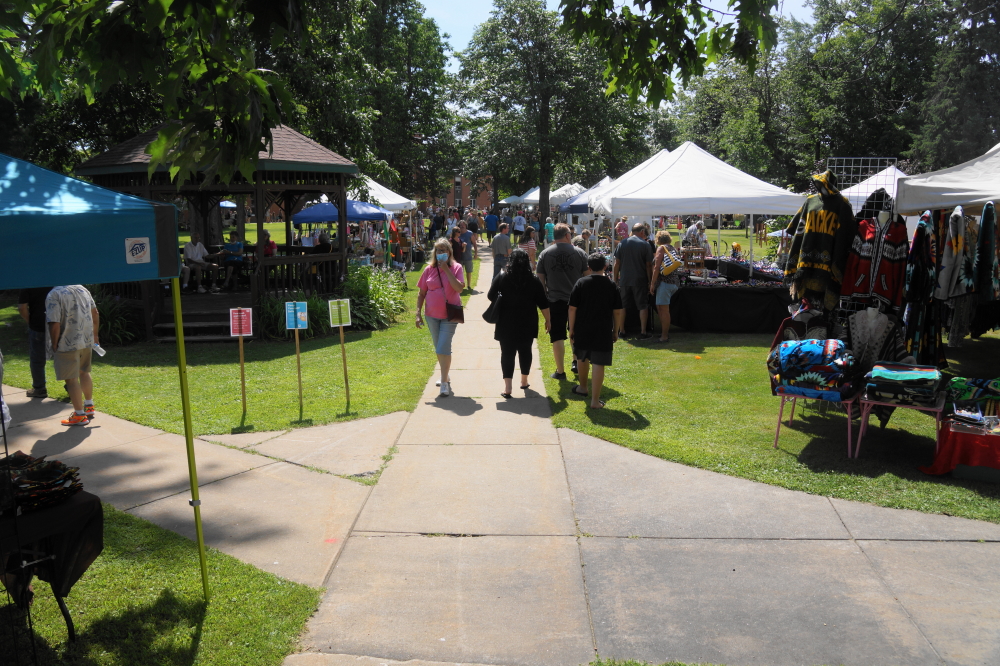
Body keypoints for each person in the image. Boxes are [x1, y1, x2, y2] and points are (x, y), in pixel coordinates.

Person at [488, 249, 551, 399]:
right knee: (525, 351)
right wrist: (548, 320)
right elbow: (543, 303)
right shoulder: (534, 280)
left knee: (507, 353)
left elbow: (490, 295)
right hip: (527, 321)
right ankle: (524, 380)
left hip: (505, 321)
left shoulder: (502, 277)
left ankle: (508, 387)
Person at [569, 253, 624, 409]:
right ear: (605, 266)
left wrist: (571, 328)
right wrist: (616, 330)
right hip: (603, 329)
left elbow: (572, 308)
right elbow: (617, 311)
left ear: (589, 267)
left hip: (582, 327)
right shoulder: (611, 285)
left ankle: (582, 387)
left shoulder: (581, 283)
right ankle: (595, 401)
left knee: (582, 357)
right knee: (599, 362)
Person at [535, 223, 589, 380]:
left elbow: (540, 280)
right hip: (577, 301)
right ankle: (576, 362)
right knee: (575, 332)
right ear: (567, 235)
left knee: (557, 336)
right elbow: (587, 277)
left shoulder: (544, 254)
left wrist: (545, 299)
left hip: (554, 300)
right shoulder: (580, 253)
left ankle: (560, 371)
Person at [416, 238, 466, 397]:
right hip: (431, 315)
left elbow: (459, 288)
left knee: (442, 348)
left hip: (450, 315)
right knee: (439, 347)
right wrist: (418, 313)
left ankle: (444, 383)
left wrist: (446, 269)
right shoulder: (428, 269)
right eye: (438, 250)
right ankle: (445, 373)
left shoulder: (456, 268)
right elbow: (421, 293)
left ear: (449, 252)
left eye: (443, 250)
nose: (440, 253)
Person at [46, 285, 100, 426]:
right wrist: (95, 336)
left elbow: (54, 322)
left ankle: (79, 415)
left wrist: (54, 344)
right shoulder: (82, 288)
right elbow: (95, 313)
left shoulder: (54, 294)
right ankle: (89, 407)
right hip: (86, 340)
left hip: (67, 342)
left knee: (71, 380)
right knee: (84, 372)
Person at [613, 222, 655, 339]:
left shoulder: (622, 243)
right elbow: (648, 265)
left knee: (623, 306)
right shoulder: (645, 244)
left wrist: (615, 279)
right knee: (642, 306)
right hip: (640, 280)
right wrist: (650, 281)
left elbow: (617, 263)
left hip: (625, 280)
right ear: (642, 232)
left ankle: (622, 331)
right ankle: (643, 331)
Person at [17, 286, 52, 398]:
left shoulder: (28, 283)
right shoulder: (56, 280)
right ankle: (71, 386)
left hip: (38, 325)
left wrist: (30, 322)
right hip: (57, 324)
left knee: (37, 360)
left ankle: (39, 388)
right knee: (63, 357)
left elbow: (22, 307)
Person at [650, 230, 682, 343]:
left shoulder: (661, 248)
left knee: (664, 310)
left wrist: (652, 283)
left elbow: (656, 267)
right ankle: (664, 332)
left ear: (658, 239)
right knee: (661, 308)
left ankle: (664, 336)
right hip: (673, 282)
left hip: (665, 283)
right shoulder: (672, 248)